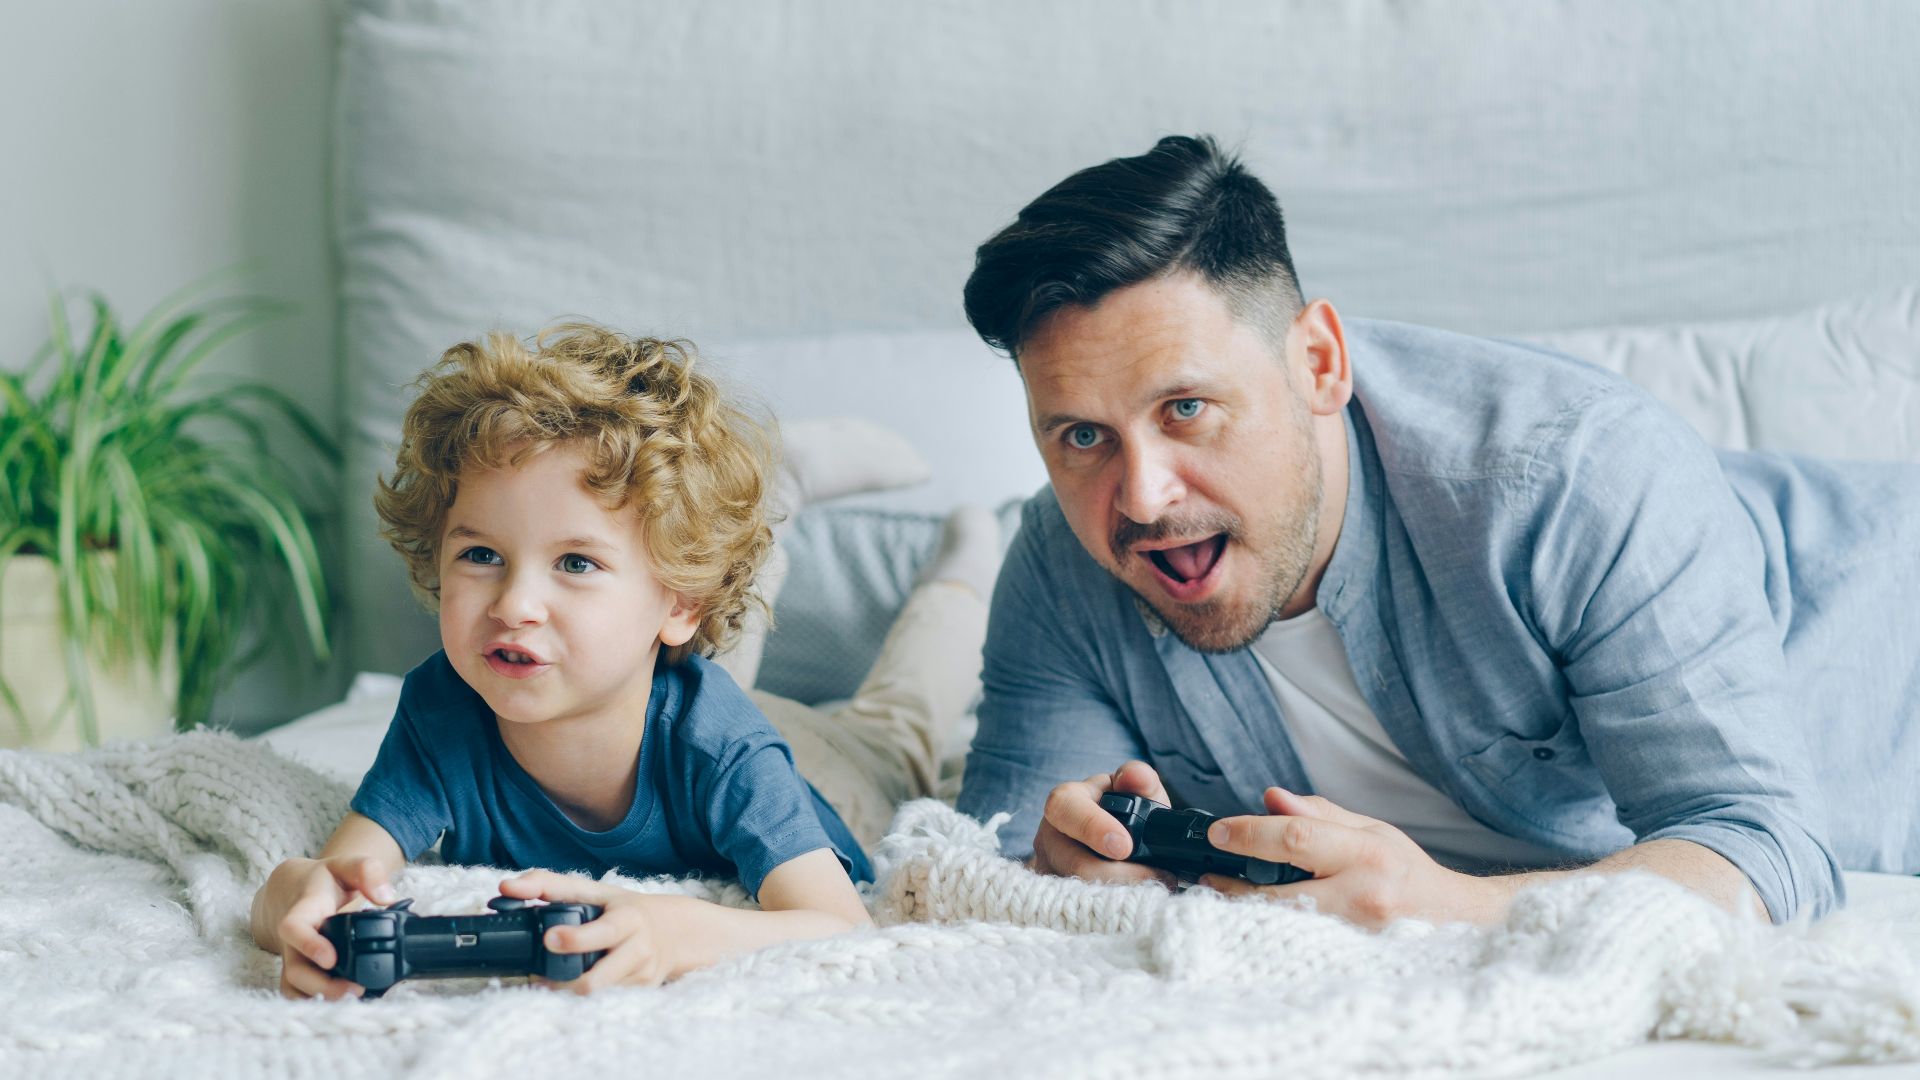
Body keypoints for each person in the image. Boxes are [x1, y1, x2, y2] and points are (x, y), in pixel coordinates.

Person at [953, 134, 1920, 928]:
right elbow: (993, 866)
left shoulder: (1573, 475)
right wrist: (1074, 869)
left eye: (1187, 409)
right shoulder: (1061, 558)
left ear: (1319, 361)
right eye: (1083, 435)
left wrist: (1447, 907)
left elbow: (1763, 842)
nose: (1144, 499)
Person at [250, 323, 998, 998]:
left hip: (829, 766)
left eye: (574, 562)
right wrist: (298, 899)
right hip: (655, 695)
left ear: (678, 606)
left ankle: (964, 568)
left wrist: (675, 931)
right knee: (671, 649)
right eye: (481, 554)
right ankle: (765, 499)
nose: (514, 604)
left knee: (899, 722)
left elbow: (839, 925)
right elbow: (327, 876)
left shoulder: (723, 745)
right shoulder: (444, 708)